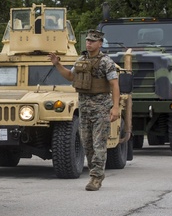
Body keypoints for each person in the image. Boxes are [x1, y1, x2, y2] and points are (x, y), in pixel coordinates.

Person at [49, 29, 120, 191]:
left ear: (100, 43)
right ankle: (94, 173)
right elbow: (70, 76)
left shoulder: (106, 62)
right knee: (87, 143)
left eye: (93, 41)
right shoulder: (80, 60)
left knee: (99, 143)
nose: (89, 43)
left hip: (101, 108)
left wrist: (115, 107)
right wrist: (57, 63)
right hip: (84, 108)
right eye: (87, 41)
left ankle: (96, 177)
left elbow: (114, 85)